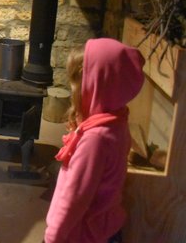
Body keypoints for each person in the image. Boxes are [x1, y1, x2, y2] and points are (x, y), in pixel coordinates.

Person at [44, 38, 145, 243]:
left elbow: (74, 199)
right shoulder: (117, 120)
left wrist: (52, 237)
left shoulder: (95, 140)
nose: (74, 91)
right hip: (105, 229)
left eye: (77, 83)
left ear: (98, 85)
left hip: (84, 235)